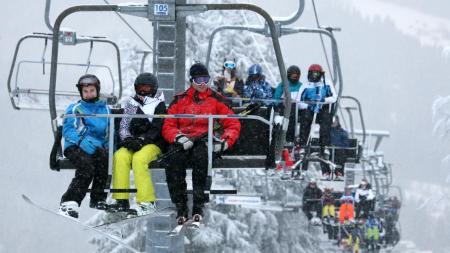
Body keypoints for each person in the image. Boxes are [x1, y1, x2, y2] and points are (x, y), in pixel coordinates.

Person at [162, 63, 241, 225]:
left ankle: (198, 204)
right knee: (173, 160)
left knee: (202, 158)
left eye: (206, 79)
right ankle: (180, 205)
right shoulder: (180, 100)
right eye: (199, 80)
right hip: (183, 140)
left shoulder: (216, 100)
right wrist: (178, 138)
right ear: (192, 80)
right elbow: (168, 125)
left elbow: (232, 123)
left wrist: (225, 142)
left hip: (203, 140)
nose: (203, 84)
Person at [109, 73, 166, 216]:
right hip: (134, 143)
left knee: (139, 159)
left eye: (147, 88)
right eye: (140, 88)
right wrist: (127, 139)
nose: (143, 91)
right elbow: (124, 126)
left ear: (153, 89)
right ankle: (121, 199)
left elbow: (157, 128)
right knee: (120, 156)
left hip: (153, 144)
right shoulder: (132, 104)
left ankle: (147, 202)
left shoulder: (159, 104)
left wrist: (143, 140)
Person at [58, 74, 110, 218]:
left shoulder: (105, 110)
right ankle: (68, 201)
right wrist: (80, 141)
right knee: (86, 166)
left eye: (91, 91)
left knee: (104, 158)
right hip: (74, 145)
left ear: (97, 91)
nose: (88, 94)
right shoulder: (75, 108)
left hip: (95, 146)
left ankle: (97, 198)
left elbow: (108, 133)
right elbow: (68, 129)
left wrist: (109, 148)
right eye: (85, 92)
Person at [297, 64, 337, 159]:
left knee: (326, 121)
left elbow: (334, 97)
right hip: (309, 109)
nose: (315, 76)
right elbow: (299, 101)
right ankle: (303, 145)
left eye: (317, 74)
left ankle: (324, 146)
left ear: (320, 74)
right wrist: (309, 105)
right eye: (313, 74)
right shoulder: (305, 86)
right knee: (305, 119)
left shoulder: (326, 84)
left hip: (322, 109)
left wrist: (324, 100)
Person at [273, 65, 303, 142]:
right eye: (293, 76)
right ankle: (284, 138)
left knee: (293, 114)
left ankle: (293, 139)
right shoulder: (284, 85)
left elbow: (303, 98)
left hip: (297, 108)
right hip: (285, 107)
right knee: (289, 117)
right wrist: (277, 106)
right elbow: (276, 97)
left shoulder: (301, 86)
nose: (294, 77)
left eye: (296, 76)